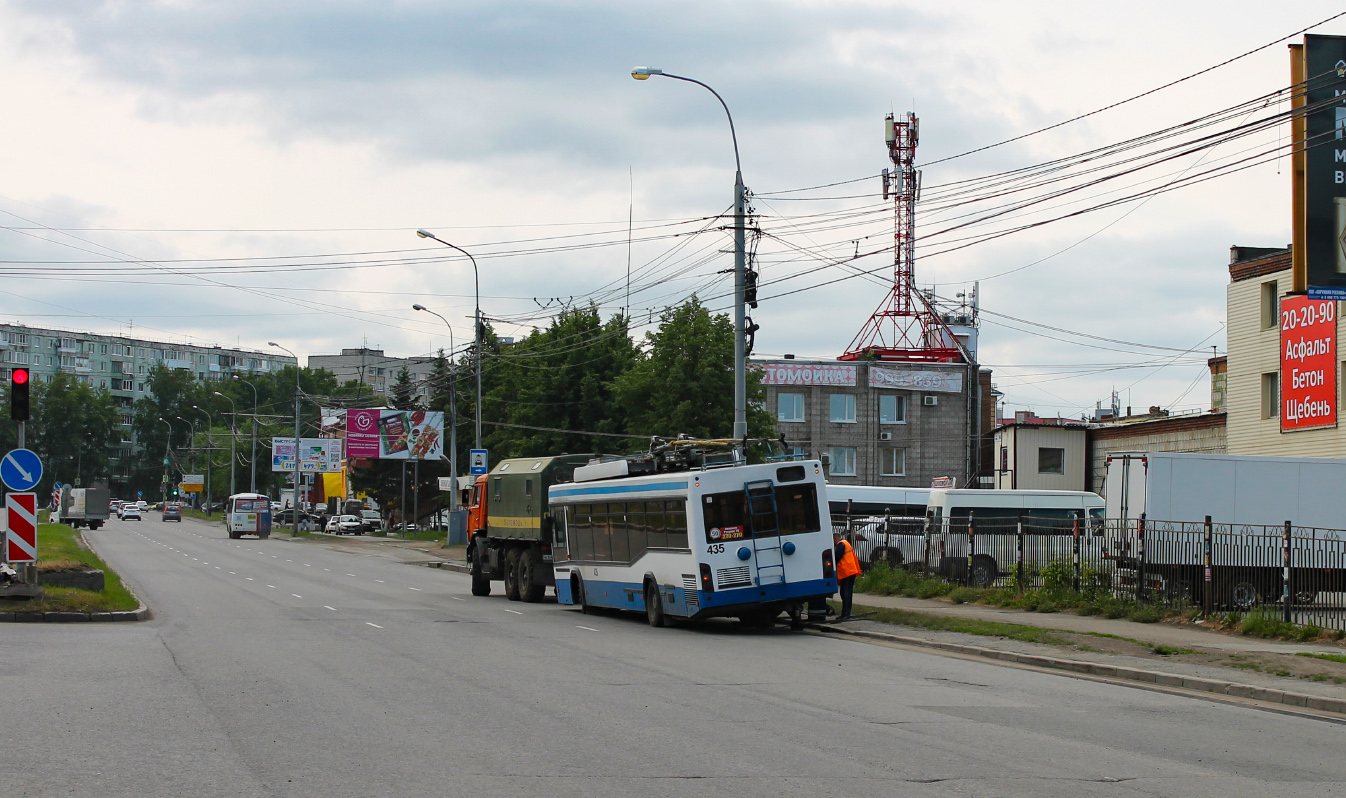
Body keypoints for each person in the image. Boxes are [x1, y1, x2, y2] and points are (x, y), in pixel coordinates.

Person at [833, 530, 862, 620]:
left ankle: (845, 613)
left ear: (835, 538)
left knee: (845, 593)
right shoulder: (846, 543)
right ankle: (847, 612)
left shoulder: (841, 544)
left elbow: (837, 557)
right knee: (848, 592)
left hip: (846, 572)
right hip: (851, 571)